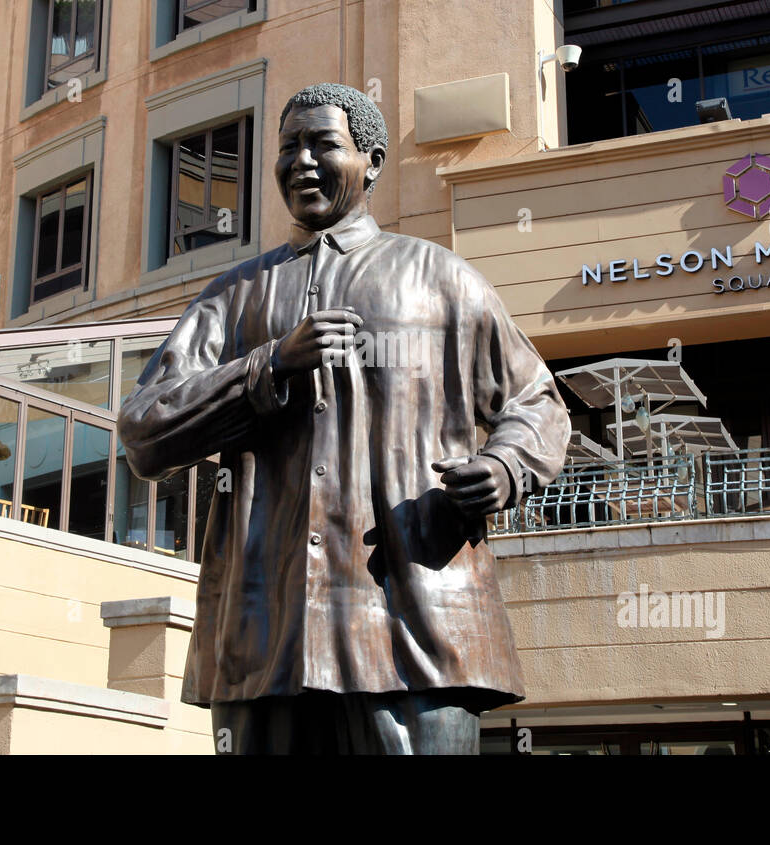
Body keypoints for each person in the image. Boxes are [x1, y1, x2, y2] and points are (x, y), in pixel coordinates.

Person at [119, 83, 570, 754]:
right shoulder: (234, 297)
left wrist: (503, 466)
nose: (300, 161)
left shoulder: (442, 280)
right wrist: (267, 367)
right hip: (269, 635)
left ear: (374, 161)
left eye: (323, 144)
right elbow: (144, 429)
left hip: (419, 621)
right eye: (287, 148)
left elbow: (538, 401)